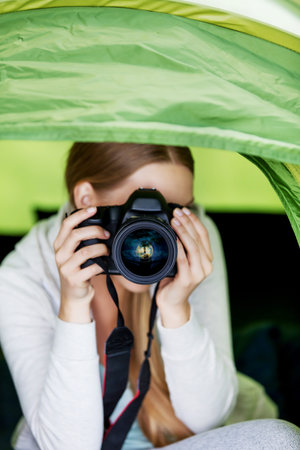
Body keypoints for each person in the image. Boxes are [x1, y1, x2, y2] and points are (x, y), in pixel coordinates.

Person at [0, 142, 299, 450]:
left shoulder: (189, 238)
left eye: (176, 211)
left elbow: (207, 420)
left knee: (281, 441)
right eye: (137, 212)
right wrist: (73, 305)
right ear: (87, 200)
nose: (156, 233)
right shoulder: (24, 275)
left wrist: (176, 307)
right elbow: (69, 446)